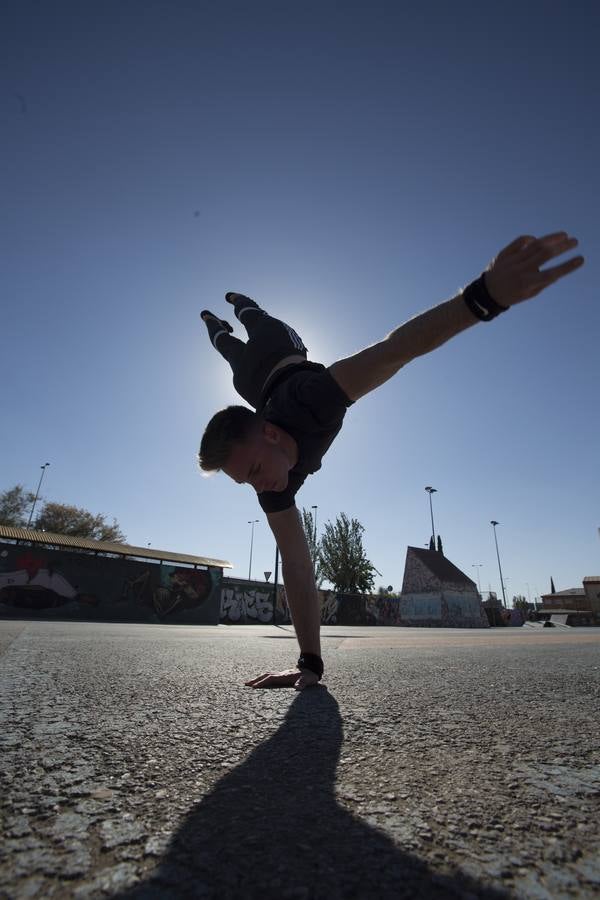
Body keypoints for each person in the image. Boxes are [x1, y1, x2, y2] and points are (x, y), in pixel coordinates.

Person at [198, 232, 584, 690]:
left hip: (280, 351)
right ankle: (213, 325)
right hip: (252, 384)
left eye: (256, 472)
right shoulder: (274, 487)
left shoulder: (314, 398)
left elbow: (396, 349)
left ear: (272, 432)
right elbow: (298, 568)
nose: (260, 488)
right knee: (228, 350)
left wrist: (484, 297)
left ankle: (241, 304)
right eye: (247, 483)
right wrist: (310, 666)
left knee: (255, 322)